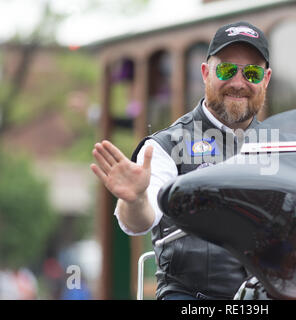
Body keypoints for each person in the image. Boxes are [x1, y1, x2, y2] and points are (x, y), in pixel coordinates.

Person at [90, 21, 272, 300]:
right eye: (225, 70)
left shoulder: (283, 146)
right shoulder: (165, 146)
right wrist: (135, 199)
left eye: (251, 72)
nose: (238, 82)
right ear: (205, 73)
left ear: (266, 79)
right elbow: (140, 220)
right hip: (192, 298)